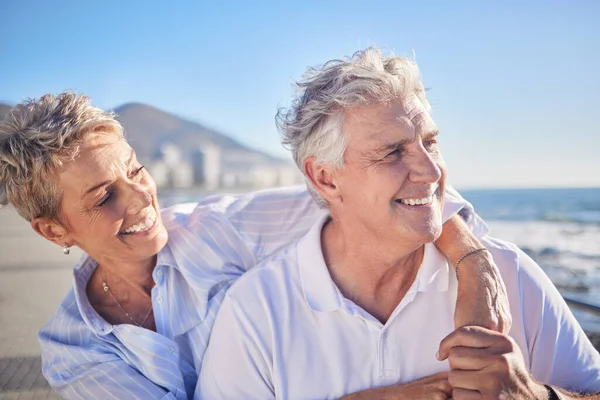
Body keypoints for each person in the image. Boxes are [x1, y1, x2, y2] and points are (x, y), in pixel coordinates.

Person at [0, 93, 505, 400]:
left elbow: (382, 195)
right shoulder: (76, 351)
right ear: (54, 231)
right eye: (104, 197)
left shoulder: (217, 229)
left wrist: (473, 260)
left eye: (135, 171)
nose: (140, 200)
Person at [198, 48, 600, 400]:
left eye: (431, 142)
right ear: (325, 177)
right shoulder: (257, 310)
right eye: (393, 152)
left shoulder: (506, 275)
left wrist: (538, 396)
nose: (430, 170)